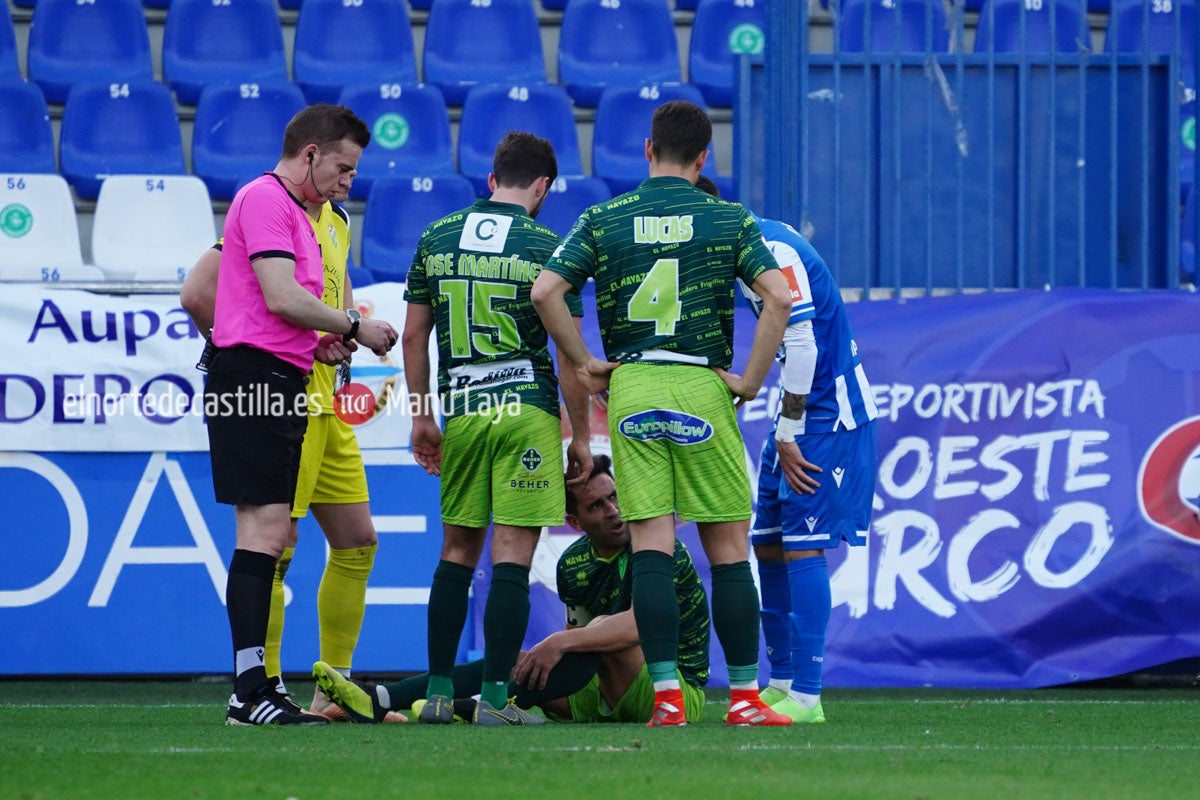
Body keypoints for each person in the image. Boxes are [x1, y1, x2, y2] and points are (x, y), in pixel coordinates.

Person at [530, 100, 794, 727]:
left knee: (651, 545)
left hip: (635, 385)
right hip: (702, 385)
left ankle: (668, 698)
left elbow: (546, 290)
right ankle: (747, 700)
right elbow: (778, 296)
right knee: (728, 550)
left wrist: (585, 360)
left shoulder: (604, 217)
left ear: (647, 149)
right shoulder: (727, 217)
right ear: (704, 157)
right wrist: (751, 380)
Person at [198, 103, 398, 726]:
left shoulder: (327, 217)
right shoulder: (264, 201)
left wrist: (323, 339)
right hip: (271, 383)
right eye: (342, 167)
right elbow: (206, 292)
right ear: (311, 153)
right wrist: (240, 346)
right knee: (271, 540)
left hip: (313, 384)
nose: (349, 182)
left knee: (355, 539)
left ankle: (306, 690)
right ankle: (260, 688)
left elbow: (297, 303)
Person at [399, 131, 592, 726]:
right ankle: (494, 702)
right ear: (542, 188)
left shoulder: (437, 236)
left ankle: (433, 695)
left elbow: (412, 336)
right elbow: (569, 356)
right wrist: (579, 435)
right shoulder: (546, 246)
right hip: (525, 413)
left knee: (456, 552)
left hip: (464, 411)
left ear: (491, 180)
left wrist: (421, 416)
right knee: (512, 556)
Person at [312, 455, 712, 724]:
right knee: (518, 663)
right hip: (604, 688)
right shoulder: (572, 564)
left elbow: (643, 626)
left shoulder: (660, 545)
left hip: (674, 692)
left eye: (614, 498)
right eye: (596, 507)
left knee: (590, 637)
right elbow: (579, 644)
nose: (614, 512)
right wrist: (555, 649)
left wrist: (559, 643)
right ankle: (383, 700)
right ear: (574, 522)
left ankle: (477, 706)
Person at [696, 175, 879, 723]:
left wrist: (789, 428)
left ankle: (808, 695)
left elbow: (803, 342)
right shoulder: (745, 248)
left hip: (828, 416)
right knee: (770, 544)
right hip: (795, 411)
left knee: (803, 546)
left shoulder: (771, 248)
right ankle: (781, 683)